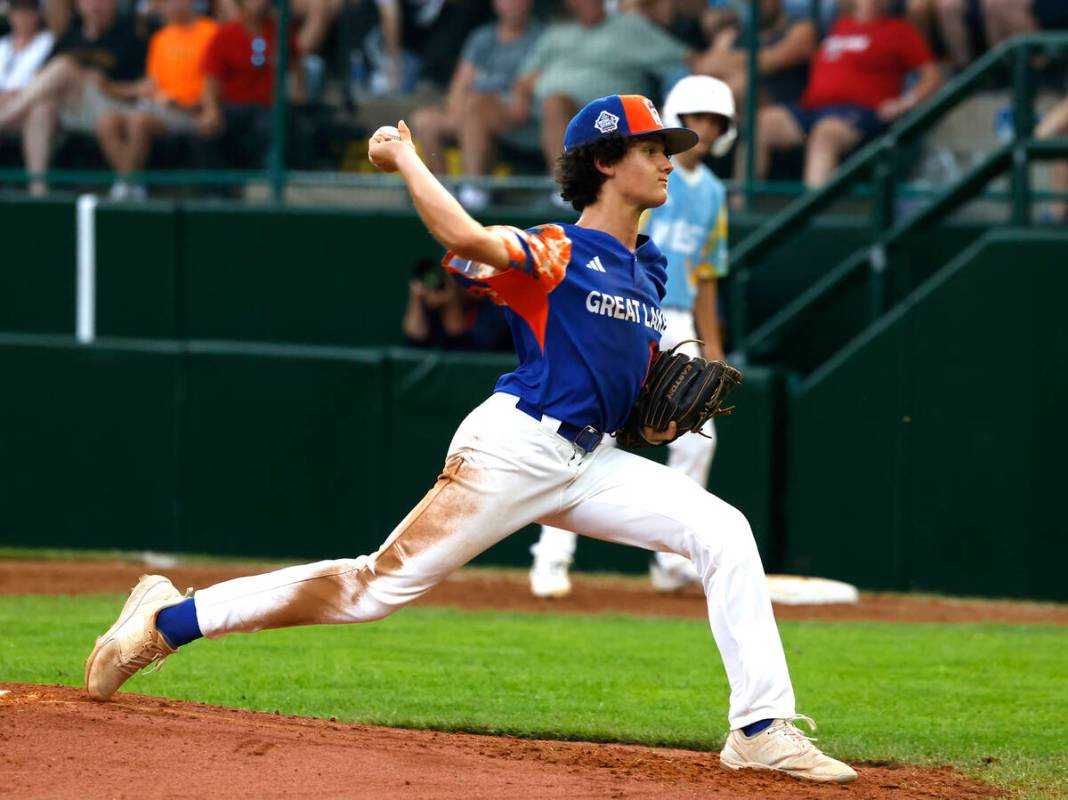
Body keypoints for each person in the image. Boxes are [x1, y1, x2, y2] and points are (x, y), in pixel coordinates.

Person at [83, 93, 858, 786]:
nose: (667, 162)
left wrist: (654, 419)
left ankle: (759, 729)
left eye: (667, 149)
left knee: (722, 528)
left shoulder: (648, 268)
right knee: (371, 589)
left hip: (591, 459)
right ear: (604, 160)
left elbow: (635, 401)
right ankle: (163, 622)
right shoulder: (557, 248)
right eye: (653, 149)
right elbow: (461, 234)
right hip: (513, 450)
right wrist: (405, 159)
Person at [529, 76, 735, 598]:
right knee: (586, 436)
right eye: (696, 119)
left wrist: (712, 343)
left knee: (691, 438)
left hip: (680, 317)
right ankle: (552, 558)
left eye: (714, 122)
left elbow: (708, 273)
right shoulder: (644, 175)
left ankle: (673, 560)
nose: (705, 130)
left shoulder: (712, 192)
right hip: (618, 309)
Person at [755, 0, 941, 187]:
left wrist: (905, 102)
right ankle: (740, 205)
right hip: (811, 108)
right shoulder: (838, 26)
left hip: (860, 112)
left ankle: (811, 210)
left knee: (825, 134)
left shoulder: (900, 30)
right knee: (761, 123)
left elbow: (931, 76)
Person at [509, 0, 695, 172]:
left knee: (555, 103)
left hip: (611, 118)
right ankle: (479, 192)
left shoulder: (629, 26)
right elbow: (526, 76)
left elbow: (685, 58)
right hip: (540, 116)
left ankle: (564, 189)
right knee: (482, 102)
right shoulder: (556, 33)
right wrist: (520, 97)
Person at [0, 0, 146, 195]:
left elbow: (142, 88)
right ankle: (38, 190)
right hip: (69, 107)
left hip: (108, 107)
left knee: (65, 67)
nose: (95, 6)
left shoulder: (129, 37)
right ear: (79, 5)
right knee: (41, 109)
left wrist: (106, 84)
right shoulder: (70, 36)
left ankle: (4, 119)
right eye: (89, 2)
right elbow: (41, 78)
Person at [409, 0, 542, 209]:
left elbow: (526, 88)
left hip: (511, 116)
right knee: (425, 120)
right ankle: (443, 192)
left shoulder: (540, 37)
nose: (513, 5)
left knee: (478, 105)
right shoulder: (482, 37)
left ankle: (474, 190)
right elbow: (461, 82)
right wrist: (457, 112)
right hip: (472, 111)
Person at [95, 0, 216, 199]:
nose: (168, 6)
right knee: (107, 121)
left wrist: (194, 104)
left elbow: (214, 81)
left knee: (139, 122)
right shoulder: (161, 38)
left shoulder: (210, 31)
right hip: (159, 107)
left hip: (191, 111)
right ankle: (130, 183)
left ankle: (125, 187)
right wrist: (113, 88)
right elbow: (153, 83)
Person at [196, 0, 304, 169]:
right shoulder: (225, 35)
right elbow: (211, 80)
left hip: (269, 107)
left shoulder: (280, 32)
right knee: (208, 130)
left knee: (276, 124)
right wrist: (211, 110)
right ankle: (216, 191)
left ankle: (269, 180)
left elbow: (296, 65)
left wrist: (298, 92)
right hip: (233, 107)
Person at [403, 257, 513, 350]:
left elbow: (465, 353)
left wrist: (452, 304)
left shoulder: (499, 309)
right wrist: (416, 299)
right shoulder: (440, 302)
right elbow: (415, 344)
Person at [0, 0, 55, 109]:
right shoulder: (2, 44)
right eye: (18, 9)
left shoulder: (48, 41)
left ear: (38, 13)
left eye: (29, 9)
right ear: (10, 14)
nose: (23, 15)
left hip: (28, 102)